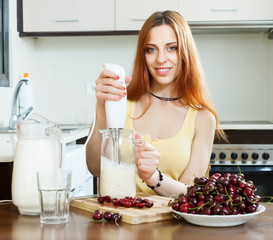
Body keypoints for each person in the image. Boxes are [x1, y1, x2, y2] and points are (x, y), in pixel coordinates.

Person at [86, 10, 225, 197]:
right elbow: (95, 168)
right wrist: (101, 104)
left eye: (172, 48)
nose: (160, 59)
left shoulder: (203, 118)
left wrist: (153, 177)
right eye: (151, 49)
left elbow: (193, 194)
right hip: (119, 223)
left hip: (175, 226)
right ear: (143, 54)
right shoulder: (120, 104)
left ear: (185, 51)